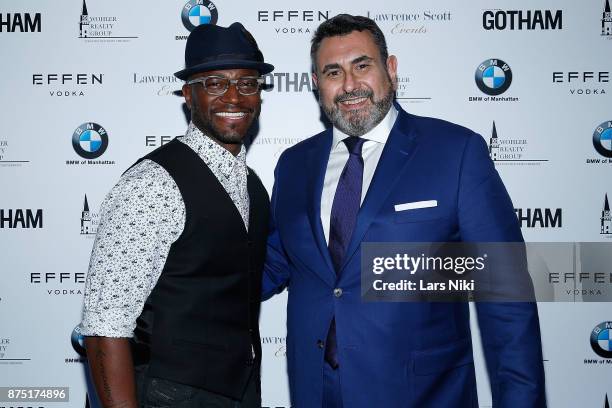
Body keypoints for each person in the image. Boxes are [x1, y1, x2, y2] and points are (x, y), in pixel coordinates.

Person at [263, 14, 546, 408]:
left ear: (390, 69)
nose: (349, 85)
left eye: (362, 65)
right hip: (317, 392)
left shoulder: (455, 153)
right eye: (333, 72)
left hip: (422, 395)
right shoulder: (294, 164)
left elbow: (505, 295)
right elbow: (272, 262)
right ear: (316, 84)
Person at [80, 22, 273, 408]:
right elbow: (104, 328)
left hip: (239, 391)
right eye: (215, 83)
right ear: (189, 95)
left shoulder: (253, 185)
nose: (234, 96)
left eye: (247, 83)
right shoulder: (151, 184)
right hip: (164, 395)